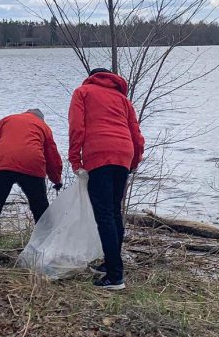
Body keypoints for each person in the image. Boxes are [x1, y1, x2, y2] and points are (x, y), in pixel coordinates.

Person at [68, 68, 145, 290]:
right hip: (124, 153)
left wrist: (75, 160)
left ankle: (114, 276)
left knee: (104, 215)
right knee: (113, 212)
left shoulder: (82, 92)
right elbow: (136, 134)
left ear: (92, 77)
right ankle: (110, 264)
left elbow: (77, 128)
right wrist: (133, 161)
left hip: (99, 154)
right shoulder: (123, 99)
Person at [0, 109, 63, 266]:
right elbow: (52, 156)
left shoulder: (6, 120)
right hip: (32, 164)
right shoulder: (43, 127)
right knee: (42, 213)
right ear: (41, 119)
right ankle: (50, 256)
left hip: (2, 165)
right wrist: (56, 179)